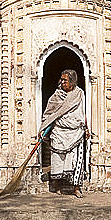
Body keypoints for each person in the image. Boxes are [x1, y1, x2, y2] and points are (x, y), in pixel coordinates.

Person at [39, 69, 88, 197]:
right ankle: (57, 185)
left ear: (72, 82)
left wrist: (86, 128)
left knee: (76, 160)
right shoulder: (56, 96)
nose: (62, 82)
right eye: (61, 79)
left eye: (65, 80)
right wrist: (43, 128)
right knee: (57, 160)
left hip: (76, 131)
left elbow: (83, 113)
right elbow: (49, 114)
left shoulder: (79, 94)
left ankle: (76, 188)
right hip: (59, 132)